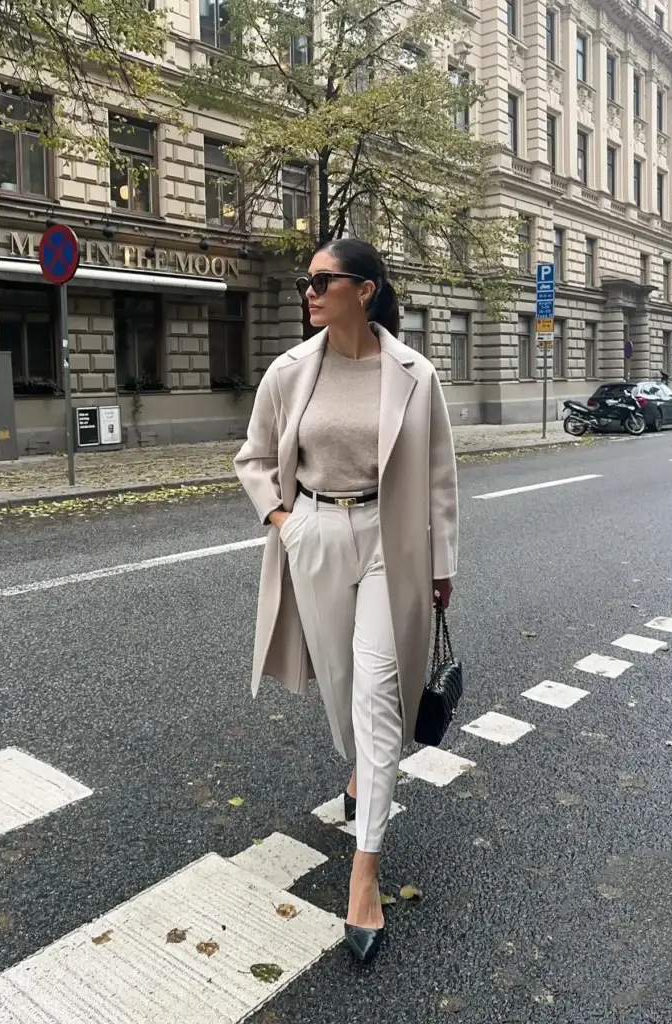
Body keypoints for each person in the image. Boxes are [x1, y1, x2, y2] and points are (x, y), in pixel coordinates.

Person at [234, 238, 459, 965]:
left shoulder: (413, 373)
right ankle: (362, 768)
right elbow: (255, 457)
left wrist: (442, 562)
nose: (309, 292)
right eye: (308, 282)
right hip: (318, 532)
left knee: (379, 691)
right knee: (340, 689)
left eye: (322, 281)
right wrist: (284, 520)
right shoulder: (291, 369)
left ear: (363, 290)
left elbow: (438, 476)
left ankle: (364, 876)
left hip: (393, 541)